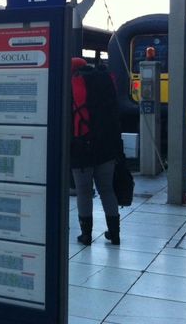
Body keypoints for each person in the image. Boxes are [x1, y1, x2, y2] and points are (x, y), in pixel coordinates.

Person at [70, 57, 122, 245]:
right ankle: (114, 234)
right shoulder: (104, 81)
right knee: (107, 190)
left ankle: (86, 235)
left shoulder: (73, 85)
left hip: (81, 148)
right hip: (106, 146)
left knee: (84, 192)